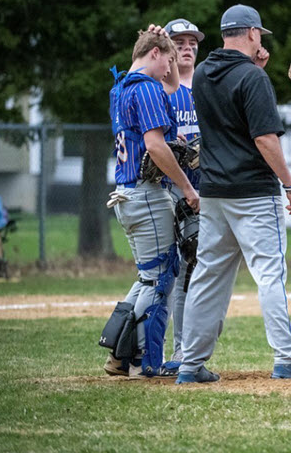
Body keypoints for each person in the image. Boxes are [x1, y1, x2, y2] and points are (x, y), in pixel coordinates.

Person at [175, 4, 291, 384]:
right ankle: (288, 357)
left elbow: (229, 110)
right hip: (254, 191)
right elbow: (263, 137)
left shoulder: (204, 73)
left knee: (209, 276)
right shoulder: (253, 79)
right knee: (270, 274)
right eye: (260, 35)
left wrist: (255, 70)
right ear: (253, 33)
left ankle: (189, 365)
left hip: (215, 192)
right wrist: (290, 184)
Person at [104, 24, 200, 379]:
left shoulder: (122, 86)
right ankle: (144, 361)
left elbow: (172, 84)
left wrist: (156, 46)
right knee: (162, 277)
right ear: (156, 54)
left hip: (126, 194)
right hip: (145, 194)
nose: (169, 70)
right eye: (167, 59)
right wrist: (188, 188)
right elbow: (157, 146)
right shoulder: (145, 89)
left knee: (148, 277)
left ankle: (118, 353)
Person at [159, 17, 206, 371]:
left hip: (204, 190)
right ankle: (166, 349)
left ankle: (184, 349)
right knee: (170, 270)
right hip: (170, 188)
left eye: (192, 42)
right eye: (180, 41)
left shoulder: (205, 85)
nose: (187, 47)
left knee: (194, 267)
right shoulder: (158, 87)